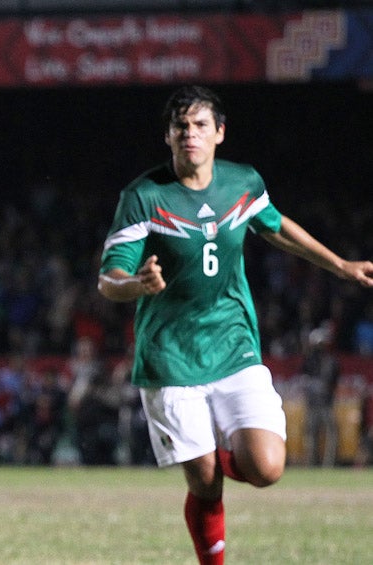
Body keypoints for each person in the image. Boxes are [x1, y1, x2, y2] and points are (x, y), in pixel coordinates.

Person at [97, 85, 373, 564]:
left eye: (200, 125)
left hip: (232, 345)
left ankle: (214, 452)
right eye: (181, 126)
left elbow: (276, 226)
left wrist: (340, 265)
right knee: (205, 482)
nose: (190, 134)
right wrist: (136, 284)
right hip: (170, 357)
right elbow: (108, 279)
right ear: (168, 135)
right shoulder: (144, 196)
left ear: (219, 133)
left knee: (266, 468)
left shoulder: (241, 183)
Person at [300, 322, 340, 467]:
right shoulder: (309, 361)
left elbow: (334, 381)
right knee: (311, 434)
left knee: (330, 433)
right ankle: (312, 463)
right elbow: (304, 380)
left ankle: (328, 464)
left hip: (326, 402)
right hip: (313, 402)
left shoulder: (331, 362)